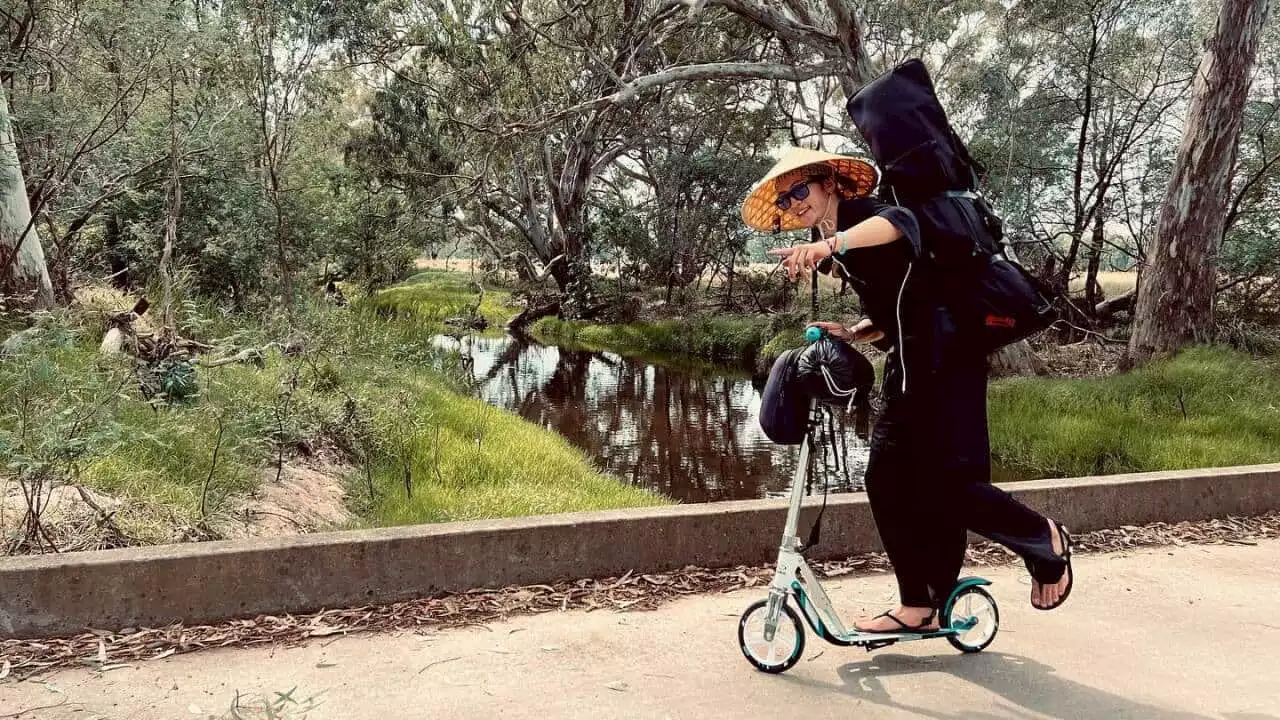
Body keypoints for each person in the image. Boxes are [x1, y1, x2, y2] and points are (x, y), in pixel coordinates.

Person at [742, 147, 1073, 633]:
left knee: (937, 483)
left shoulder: (865, 215)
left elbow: (904, 223)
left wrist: (831, 247)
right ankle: (920, 604)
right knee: (890, 479)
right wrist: (856, 333)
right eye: (786, 201)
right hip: (913, 362)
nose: (795, 205)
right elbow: (900, 304)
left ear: (829, 183)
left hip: (946, 360)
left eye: (800, 191)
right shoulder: (839, 238)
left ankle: (1041, 538)